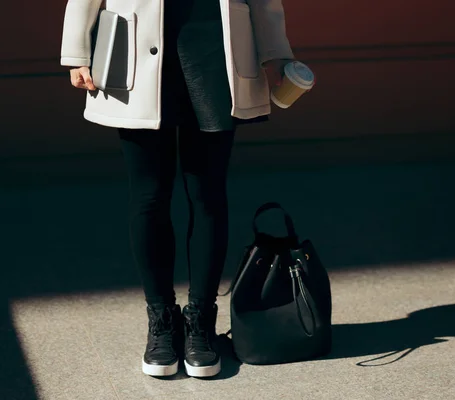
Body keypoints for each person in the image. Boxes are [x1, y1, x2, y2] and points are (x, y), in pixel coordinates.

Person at [60, 0, 295, 378]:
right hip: (132, 45)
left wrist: (276, 53)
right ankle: (161, 321)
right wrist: (77, 51)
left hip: (215, 46)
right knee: (149, 196)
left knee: (207, 195)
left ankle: (200, 321)